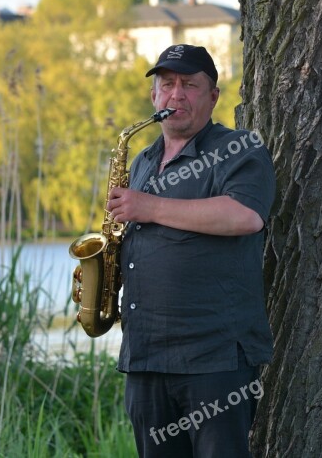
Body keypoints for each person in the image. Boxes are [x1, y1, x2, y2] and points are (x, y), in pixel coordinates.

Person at [106, 44, 275, 457]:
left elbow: (245, 216)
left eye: (189, 85)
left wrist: (148, 206)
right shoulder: (143, 161)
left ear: (213, 96)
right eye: (167, 85)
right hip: (146, 359)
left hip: (214, 360)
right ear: (154, 97)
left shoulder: (238, 148)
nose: (176, 95)